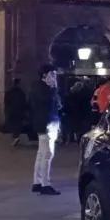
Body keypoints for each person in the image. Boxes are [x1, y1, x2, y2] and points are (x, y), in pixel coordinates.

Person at [30, 65, 61, 195]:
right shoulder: (40, 87)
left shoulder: (43, 87)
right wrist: (53, 89)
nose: (54, 77)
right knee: (47, 154)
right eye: (51, 74)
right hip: (45, 124)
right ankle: (45, 184)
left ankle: (37, 182)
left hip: (49, 122)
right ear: (44, 75)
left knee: (42, 153)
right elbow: (45, 101)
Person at [4, 78, 28, 146]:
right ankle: (16, 137)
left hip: (12, 111)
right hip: (19, 111)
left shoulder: (9, 92)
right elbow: (24, 102)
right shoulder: (21, 93)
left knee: (13, 124)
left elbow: (6, 102)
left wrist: (7, 110)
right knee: (18, 125)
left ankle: (15, 137)